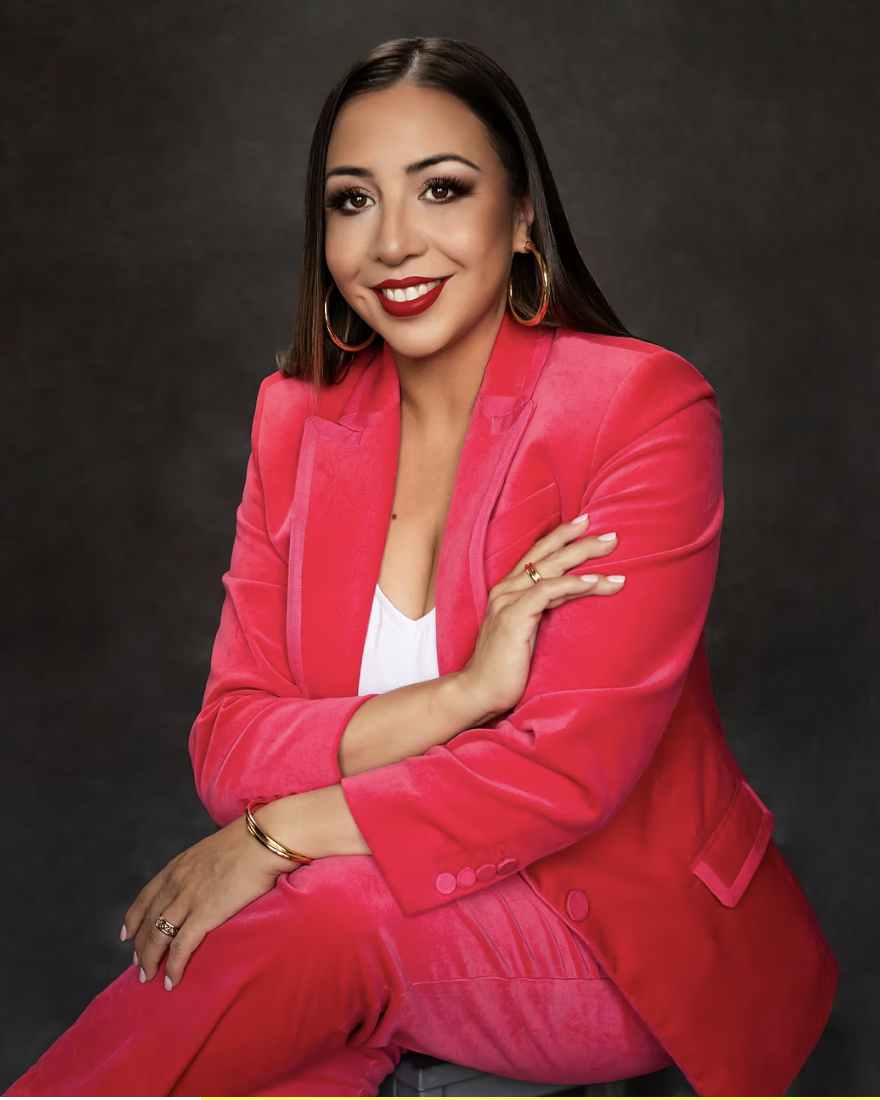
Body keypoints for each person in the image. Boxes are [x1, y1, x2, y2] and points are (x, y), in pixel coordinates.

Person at [4, 35, 837, 1099]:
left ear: (521, 215)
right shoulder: (296, 420)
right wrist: (462, 695)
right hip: (367, 923)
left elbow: (563, 770)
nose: (393, 241)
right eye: (353, 201)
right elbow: (230, 744)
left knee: (324, 914)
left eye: (442, 189)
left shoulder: (638, 409)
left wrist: (272, 836)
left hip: (607, 935)